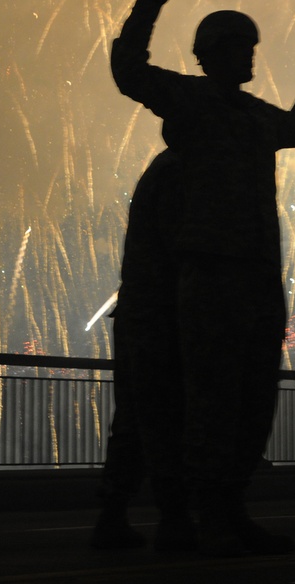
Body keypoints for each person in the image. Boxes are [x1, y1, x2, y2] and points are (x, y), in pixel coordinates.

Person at [110, 0, 295, 556]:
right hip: (210, 274)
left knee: (251, 398)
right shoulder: (190, 101)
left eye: (252, 47)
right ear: (214, 54)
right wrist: (148, 5)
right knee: (211, 399)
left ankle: (226, 507)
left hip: (256, 276)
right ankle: (208, 513)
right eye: (241, 47)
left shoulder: (258, 116)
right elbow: (128, 71)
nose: (251, 57)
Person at [91, 149, 192, 552]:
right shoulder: (185, 171)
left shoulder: (164, 170)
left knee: (135, 420)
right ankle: (174, 518)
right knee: (168, 416)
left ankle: (116, 514)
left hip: (142, 312)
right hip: (164, 316)